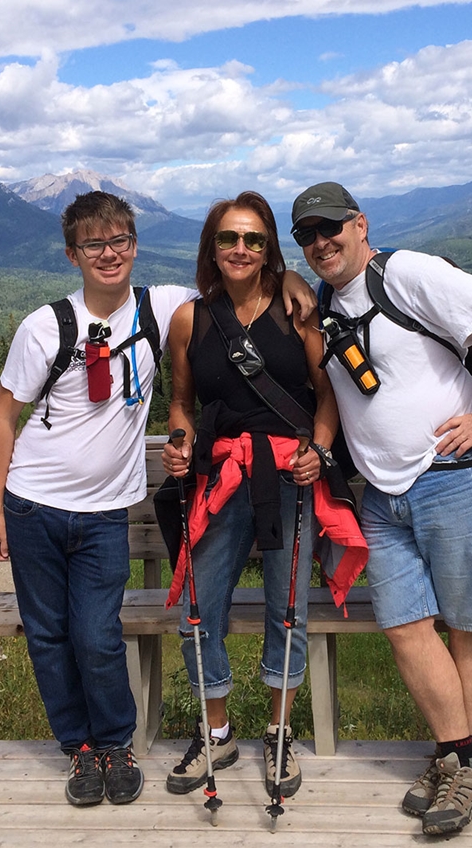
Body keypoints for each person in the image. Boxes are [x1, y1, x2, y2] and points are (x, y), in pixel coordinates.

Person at [0, 191, 316, 809]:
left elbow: (241, 283)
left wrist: (290, 273)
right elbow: (4, 415)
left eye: (120, 242)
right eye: (94, 245)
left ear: (135, 246)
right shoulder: (46, 326)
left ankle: (116, 743)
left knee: (97, 633)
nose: (109, 254)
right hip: (34, 503)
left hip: (110, 507)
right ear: (72, 254)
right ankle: (82, 750)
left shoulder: (159, 306)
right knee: (50, 635)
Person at [290, 181, 472, 837]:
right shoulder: (324, 302)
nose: (320, 243)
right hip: (382, 496)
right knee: (404, 627)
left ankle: (461, 763)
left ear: (360, 224)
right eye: (306, 236)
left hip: (455, 477)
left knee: (469, 623)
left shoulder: (409, 274)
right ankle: (460, 759)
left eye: (329, 228)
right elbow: (340, 388)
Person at [161, 191, 366, 801]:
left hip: (289, 476)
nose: (241, 249)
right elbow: (181, 402)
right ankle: (217, 730)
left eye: (253, 239)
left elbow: (327, 396)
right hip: (224, 475)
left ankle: (278, 732)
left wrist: (320, 450)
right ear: (212, 247)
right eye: (229, 238)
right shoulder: (189, 320)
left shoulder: (296, 311)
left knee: (288, 610)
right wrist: (179, 438)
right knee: (199, 611)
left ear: (269, 247)